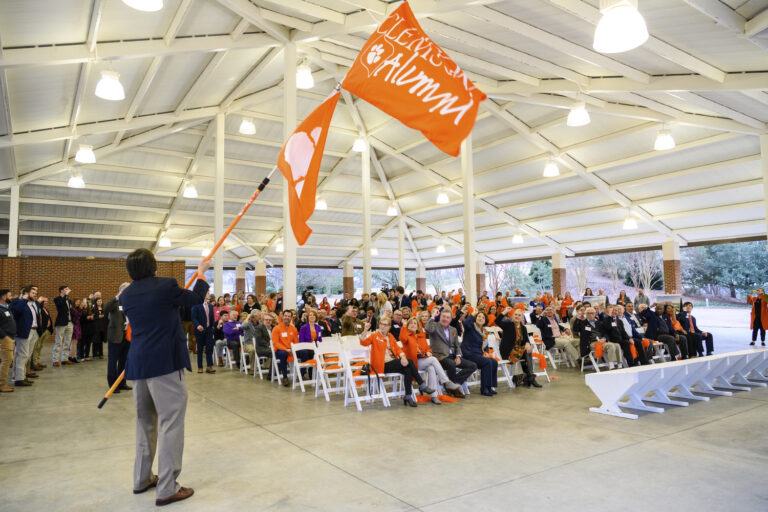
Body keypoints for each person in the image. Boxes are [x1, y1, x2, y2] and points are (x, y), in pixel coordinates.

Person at [119, 249, 209, 507]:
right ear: (154, 267)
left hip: (138, 364)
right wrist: (201, 274)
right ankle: (168, 487)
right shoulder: (165, 286)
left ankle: (142, 478)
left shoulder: (127, 293)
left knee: (145, 422)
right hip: (164, 365)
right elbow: (195, 298)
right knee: (171, 423)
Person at [360, 316, 434, 407]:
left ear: (389, 327)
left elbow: (398, 349)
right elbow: (363, 342)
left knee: (408, 370)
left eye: (385, 325)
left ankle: (408, 396)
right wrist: (365, 330)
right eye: (381, 324)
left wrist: (402, 356)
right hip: (381, 365)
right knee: (410, 362)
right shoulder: (374, 336)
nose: (382, 326)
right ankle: (422, 384)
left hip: (392, 363)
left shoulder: (390, 336)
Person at [399, 317, 463, 403]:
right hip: (412, 363)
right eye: (411, 323)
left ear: (418, 326)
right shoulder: (406, 336)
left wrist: (428, 352)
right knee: (433, 360)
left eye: (415, 323)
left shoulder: (421, 336)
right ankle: (446, 381)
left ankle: (434, 396)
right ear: (407, 325)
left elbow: (427, 349)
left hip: (422, 360)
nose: (413, 325)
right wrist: (403, 326)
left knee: (431, 368)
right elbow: (402, 338)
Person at [425, 309, 477, 393]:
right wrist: (433, 316)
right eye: (443, 317)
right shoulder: (434, 326)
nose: (445, 319)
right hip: (440, 357)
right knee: (451, 363)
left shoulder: (453, 329)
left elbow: (457, 345)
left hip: (453, 356)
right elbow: (427, 328)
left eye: (448, 317)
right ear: (440, 317)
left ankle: (451, 384)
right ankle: (453, 389)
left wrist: (458, 356)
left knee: (473, 365)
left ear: (451, 319)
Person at [496, 309, 541, 388]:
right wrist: (504, 312)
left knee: (528, 350)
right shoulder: (508, 324)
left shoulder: (523, 328)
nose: (517, 316)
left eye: (519, 315)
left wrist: (527, 343)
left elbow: (526, 340)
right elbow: (497, 321)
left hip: (518, 350)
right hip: (508, 352)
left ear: (522, 317)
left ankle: (528, 377)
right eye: (515, 314)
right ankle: (530, 377)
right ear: (513, 316)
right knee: (526, 352)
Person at [460, 311, 499, 396]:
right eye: (478, 316)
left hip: (478, 354)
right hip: (469, 354)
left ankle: (489, 387)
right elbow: (466, 322)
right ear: (475, 318)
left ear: (485, 321)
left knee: (494, 362)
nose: (480, 318)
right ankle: (484, 388)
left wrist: (486, 352)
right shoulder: (470, 327)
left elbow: (486, 345)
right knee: (487, 362)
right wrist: (473, 314)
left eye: (483, 317)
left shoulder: (484, 331)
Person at [104, 283, 132, 392]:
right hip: (115, 336)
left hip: (127, 337)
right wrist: (117, 296)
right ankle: (113, 385)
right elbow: (105, 308)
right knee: (113, 361)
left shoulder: (130, 302)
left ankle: (121, 383)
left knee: (124, 362)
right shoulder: (115, 302)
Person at [11, 285, 40, 387]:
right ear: (25, 293)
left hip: (33, 331)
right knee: (22, 355)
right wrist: (24, 299)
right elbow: (17, 311)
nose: (35, 295)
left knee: (26, 355)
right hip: (23, 332)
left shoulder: (31, 303)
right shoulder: (17, 301)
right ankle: (19, 379)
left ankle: (21, 376)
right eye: (33, 293)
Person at [191, 291, 216, 374]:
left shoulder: (210, 306)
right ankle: (200, 367)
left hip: (209, 330)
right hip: (200, 330)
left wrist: (212, 327)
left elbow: (212, 318)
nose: (209, 294)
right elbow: (193, 318)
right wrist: (198, 325)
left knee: (209, 348)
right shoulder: (196, 305)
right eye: (208, 293)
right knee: (200, 349)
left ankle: (209, 366)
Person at [272, 310, 299, 387]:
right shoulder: (276, 328)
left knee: (305, 352)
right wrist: (286, 349)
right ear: (282, 317)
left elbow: (296, 341)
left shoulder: (293, 329)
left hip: (291, 350)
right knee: (283, 354)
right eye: (285, 316)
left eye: (289, 316)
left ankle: (302, 374)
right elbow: (275, 343)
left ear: (291, 318)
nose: (287, 317)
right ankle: (285, 377)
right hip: (279, 351)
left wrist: (292, 349)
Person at [53, 285, 74, 367]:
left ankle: (64, 359)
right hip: (61, 322)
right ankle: (55, 360)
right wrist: (65, 296)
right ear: (61, 291)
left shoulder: (68, 300)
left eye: (68, 289)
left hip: (69, 322)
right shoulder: (57, 299)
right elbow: (60, 305)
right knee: (58, 341)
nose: (68, 290)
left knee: (68, 341)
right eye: (66, 289)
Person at [0, 289, 16, 392]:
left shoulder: (6, 308)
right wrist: (4, 336)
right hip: (5, 339)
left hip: (10, 337)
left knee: (7, 361)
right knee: (6, 361)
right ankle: (1, 385)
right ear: (3, 297)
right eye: (10, 296)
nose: (11, 297)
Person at [69, 299, 83, 364]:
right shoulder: (72, 309)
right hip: (74, 326)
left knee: (75, 342)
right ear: (74, 302)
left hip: (78, 325)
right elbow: (77, 315)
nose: (78, 303)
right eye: (77, 302)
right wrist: (81, 309)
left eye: (79, 302)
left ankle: (72, 356)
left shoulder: (77, 309)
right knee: (74, 342)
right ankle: (72, 357)